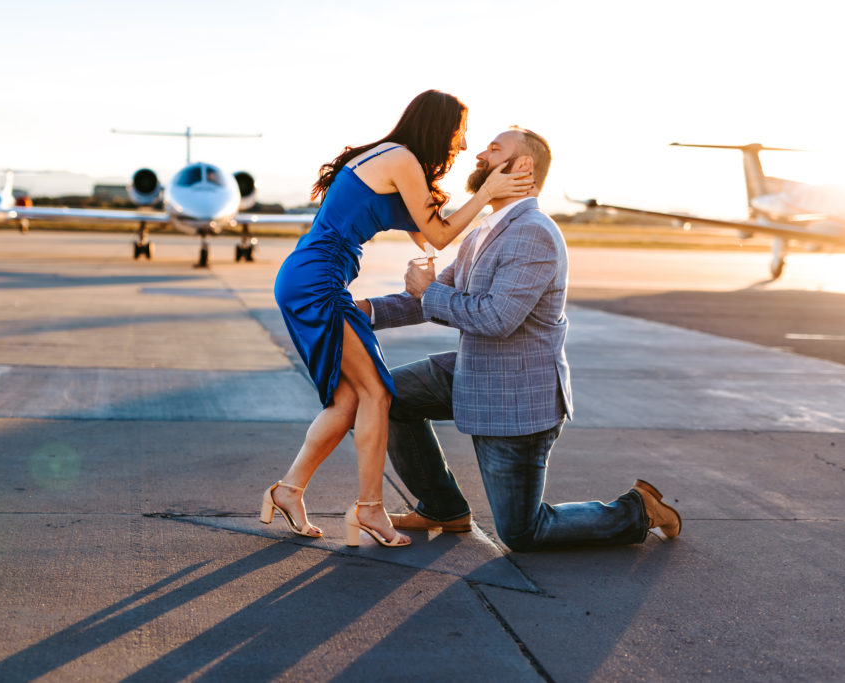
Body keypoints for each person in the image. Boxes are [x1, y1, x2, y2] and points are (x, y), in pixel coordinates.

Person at [356, 127, 682, 551]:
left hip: (517, 399)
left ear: (522, 165)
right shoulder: (485, 230)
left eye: (494, 150)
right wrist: (363, 312)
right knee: (387, 394)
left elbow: (495, 318)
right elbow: (430, 299)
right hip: (473, 373)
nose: (480, 155)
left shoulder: (533, 233)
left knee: (522, 532)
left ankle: (638, 510)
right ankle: (442, 508)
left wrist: (430, 290)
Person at [262, 91, 534, 548]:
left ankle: (288, 491)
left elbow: (430, 240)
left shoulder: (398, 164)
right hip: (318, 279)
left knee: (349, 400)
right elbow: (441, 234)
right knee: (378, 392)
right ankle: (369, 507)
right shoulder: (401, 159)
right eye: (460, 133)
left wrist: (426, 270)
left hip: (312, 276)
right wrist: (487, 193)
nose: (464, 145)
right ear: (440, 126)